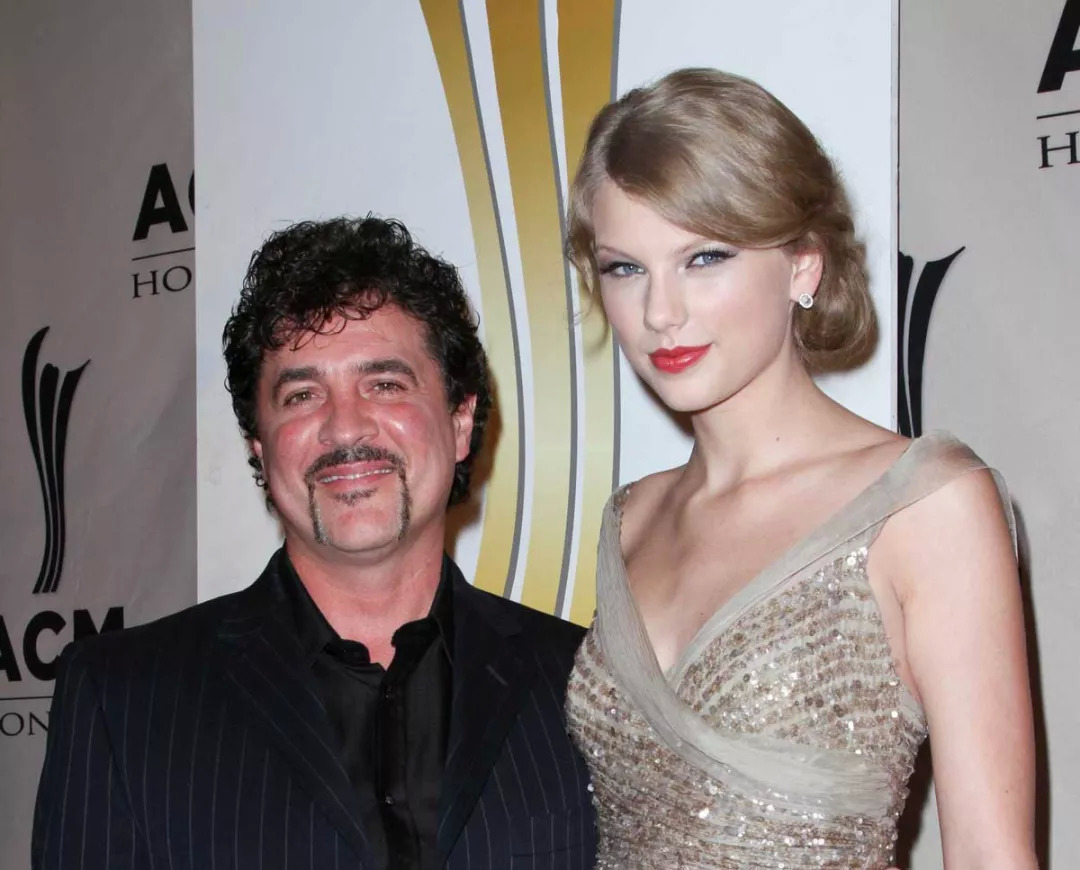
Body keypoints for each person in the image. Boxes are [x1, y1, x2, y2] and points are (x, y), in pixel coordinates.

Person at [563, 69, 1037, 868]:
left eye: (704, 257)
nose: (659, 312)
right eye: (625, 268)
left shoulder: (926, 504)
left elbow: (992, 856)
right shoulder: (630, 518)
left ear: (804, 265)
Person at [32, 216, 596, 869]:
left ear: (460, 422)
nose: (344, 427)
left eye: (384, 384)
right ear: (259, 445)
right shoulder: (123, 700)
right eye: (301, 395)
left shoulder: (583, 683)